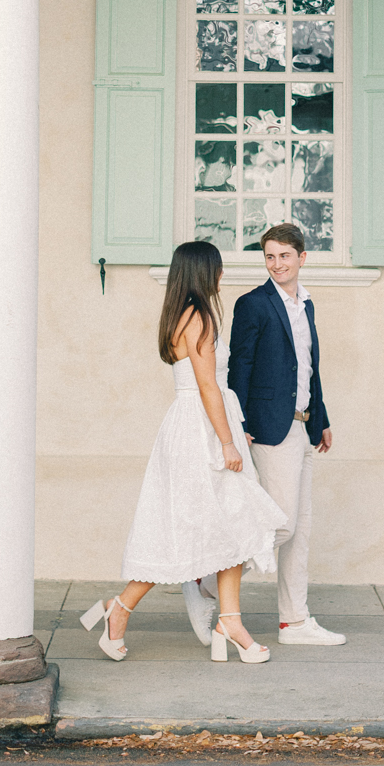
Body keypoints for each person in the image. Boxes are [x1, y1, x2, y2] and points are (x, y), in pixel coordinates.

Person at [81, 240, 286, 665]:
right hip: (202, 429)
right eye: (217, 267)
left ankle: (228, 620)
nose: (221, 274)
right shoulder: (201, 317)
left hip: (195, 423)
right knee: (200, 528)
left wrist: (233, 430)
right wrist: (227, 440)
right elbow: (209, 384)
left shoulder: (180, 313)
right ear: (202, 272)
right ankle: (120, 610)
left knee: (228, 525)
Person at [227, 222, 346, 646]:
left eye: (284, 256)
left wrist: (322, 418)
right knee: (283, 524)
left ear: (302, 258)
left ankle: (294, 622)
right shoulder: (253, 304)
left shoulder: (306, 305)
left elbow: (309, 367)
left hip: (303, 424)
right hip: (269, 429)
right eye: (270, 256)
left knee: (303, 527)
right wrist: (239, 426)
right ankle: (210, 576)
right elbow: (237, 368)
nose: (277, 263)